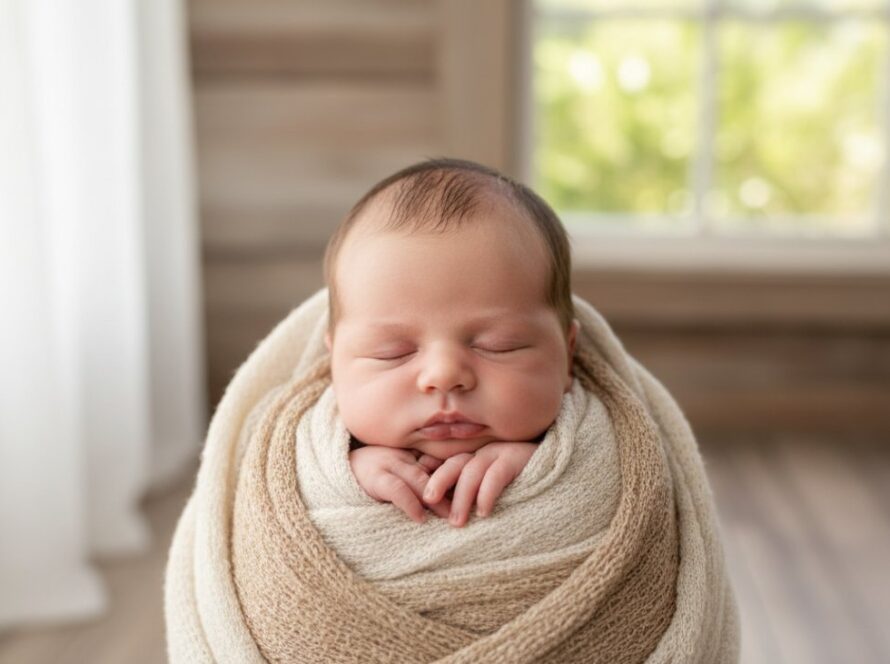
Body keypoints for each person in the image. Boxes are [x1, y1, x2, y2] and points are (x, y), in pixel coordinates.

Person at [323, 157, 579, 528]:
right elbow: (279, 492)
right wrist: (343, 475)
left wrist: (547, 468)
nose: (443, 375)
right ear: (334, 365)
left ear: (569, 357)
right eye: (392, 352)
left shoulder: (593, 446)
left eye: (499, 345)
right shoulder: (322, 455)